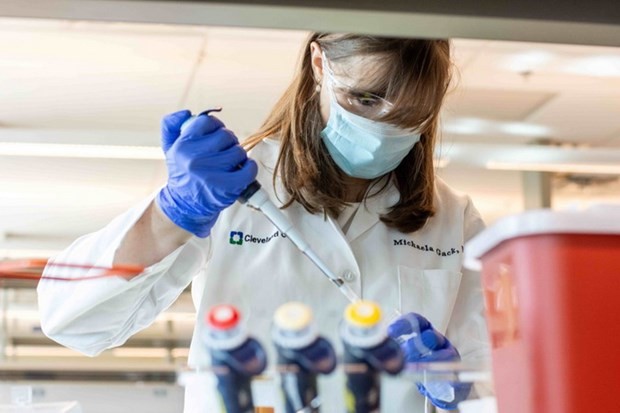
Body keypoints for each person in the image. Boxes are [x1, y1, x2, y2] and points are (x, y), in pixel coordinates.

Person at [38, 33, 489, 411]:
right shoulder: (232, 187)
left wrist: (465, 389)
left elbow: (503, 382)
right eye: (365, 98)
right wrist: (171, 213)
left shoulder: (454, 221)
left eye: (410, 114)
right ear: (319, 63)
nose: (384, 126)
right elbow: (74, 322)